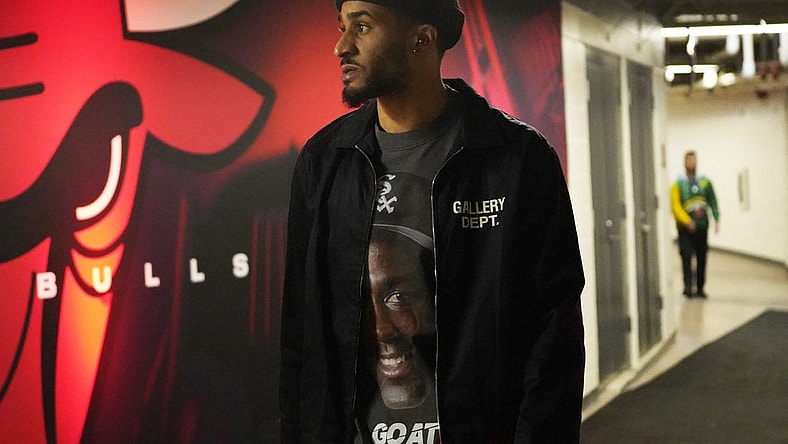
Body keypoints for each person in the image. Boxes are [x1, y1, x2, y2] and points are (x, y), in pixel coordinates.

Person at [279, 1, 585, 443]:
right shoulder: (324, 162)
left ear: (421, 38)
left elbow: (554, 339)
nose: (341, 46)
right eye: (342, 27)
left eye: (362, 27)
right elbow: (301, 335)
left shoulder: (518, 160)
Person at [671, 150, 720, 298]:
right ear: (684, 163)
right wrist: (687, 221)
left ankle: (700, 288)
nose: (692, 163)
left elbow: (712, 201)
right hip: (685, 228)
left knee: (701, 257)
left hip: (702, 226)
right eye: (689, 160)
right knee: (686, 256)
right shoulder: (678, 184)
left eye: (694, 160)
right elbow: (675, 206)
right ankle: (688, 287)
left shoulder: (705, 182)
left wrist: (716, 218)